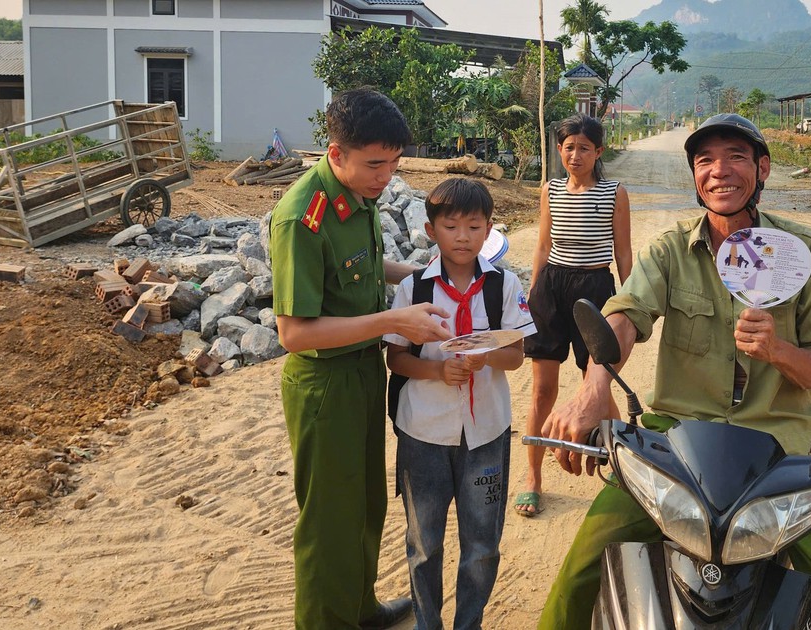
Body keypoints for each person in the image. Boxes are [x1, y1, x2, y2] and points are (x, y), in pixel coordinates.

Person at [537, 113, 811, 629]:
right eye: (705, 160)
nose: (720, 171)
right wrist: (592, 386)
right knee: (578, 578)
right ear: (695, 176)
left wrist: (779, 350)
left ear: (762, 169)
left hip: (782, 455)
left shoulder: (807, 252)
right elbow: (626, 316)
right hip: (678, 447)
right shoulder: (672, 248)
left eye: (736, 157)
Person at [269, 87, 452, 630]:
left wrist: (434, 274)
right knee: (329, 518)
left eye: (394, 164)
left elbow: (372, 272)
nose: (386, 177)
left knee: (368, 501)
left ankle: (359, 608)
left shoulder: (360, 196)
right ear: (335, 154)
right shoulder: (303, 217)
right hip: (324, 385)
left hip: (365, 373)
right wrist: (394, 322)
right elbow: (293, 333)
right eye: (375, 164)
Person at [384, 177, 536, 630]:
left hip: (486, 434)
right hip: (424, 433)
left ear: (490, 228)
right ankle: (428, 624)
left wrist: (481, 354)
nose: (464, 236)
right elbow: (396, 358)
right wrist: (437, 369)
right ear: (431, 230)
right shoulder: (415, 289)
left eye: (475, 226)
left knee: (482, 545)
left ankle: (469, 623)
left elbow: (516, 355)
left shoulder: (503, 286)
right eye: (451, 226)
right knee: (424, 544)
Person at [517, 113, 632, 518]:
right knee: (542, 390)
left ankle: (624, 466)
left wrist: (632, 304)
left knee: (596, 386)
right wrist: (532, 294)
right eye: (569, 147)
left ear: (598, 151)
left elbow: (622, 252)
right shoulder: (549, 189)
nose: (575, 155)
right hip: (551, 288)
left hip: (595, 290)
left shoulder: (615, 193)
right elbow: (543, 244)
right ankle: (532, 476)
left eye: (584, 148)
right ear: (559, 150)